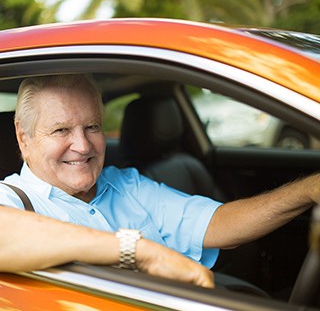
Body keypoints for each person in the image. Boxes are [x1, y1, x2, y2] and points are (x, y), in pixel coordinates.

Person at [0, 74, 319, 288]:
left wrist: (307, 190)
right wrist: (140, 251)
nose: (83, 146)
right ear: (23, 137)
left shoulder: (126, 184)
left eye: (92, 127)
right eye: (61, 130)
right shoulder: (14, 199)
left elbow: (220, 224)